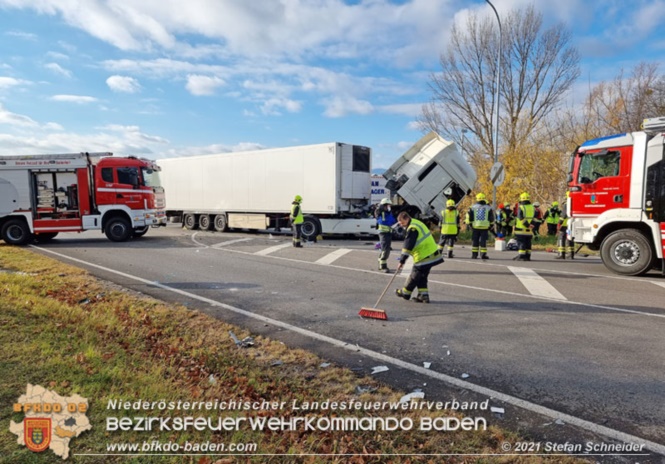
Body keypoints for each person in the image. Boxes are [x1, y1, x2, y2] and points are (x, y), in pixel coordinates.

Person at [394, 211, 443, 303]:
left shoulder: (412, 228)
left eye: (401, 222)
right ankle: (423, 296)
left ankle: (405, 293)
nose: (401, 225)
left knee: (415, 274)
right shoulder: (416, 222)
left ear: (406, 218)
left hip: (424, 255)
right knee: (422, 276)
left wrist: (402, 260)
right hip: (431, 253)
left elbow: (408, 246)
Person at [465, 193, 494, 259]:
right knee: (483, 241)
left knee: (475, 241)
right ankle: (483, 255)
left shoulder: (473, 207)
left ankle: (474, 255)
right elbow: (491, 218)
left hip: (475, 226)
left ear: (477, 199)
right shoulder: (488, 208)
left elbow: (470, 217)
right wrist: (491, 225)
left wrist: (470, 224)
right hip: (485, 227)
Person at [375, 197, 396, 272]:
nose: (389, 207)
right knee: (385, 250)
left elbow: (392, 220)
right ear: (383, 206)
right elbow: (378, 215)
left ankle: (381, 262)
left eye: (389, 205)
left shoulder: (389, 213)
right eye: (387, 205)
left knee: (386, 249)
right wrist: (380, 207)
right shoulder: (380, 212)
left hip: (388, 233)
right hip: (383, 233)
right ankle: (383, 266)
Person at [513, 192, 535, 261]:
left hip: (521, 228)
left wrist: (527, 225)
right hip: (529, 229)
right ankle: (528, 256)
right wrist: (530, 225)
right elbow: (534, 217)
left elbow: (520, 217)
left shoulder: (521, 207)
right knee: (528, 242)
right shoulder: (532, 207)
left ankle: (521, 256)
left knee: (521, 242)